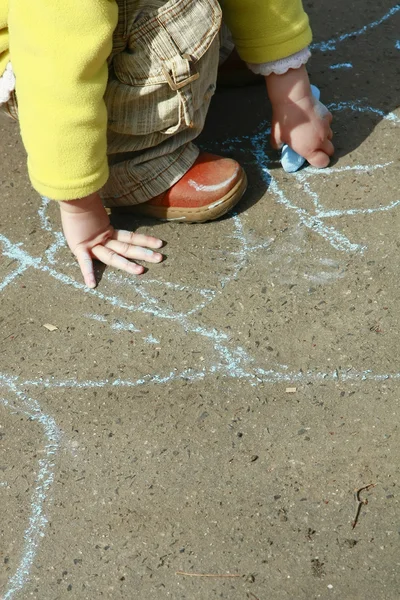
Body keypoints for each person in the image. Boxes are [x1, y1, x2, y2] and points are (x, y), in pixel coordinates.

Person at [0, 0, 334, 288]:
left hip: (90, 34)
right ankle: (136, 164)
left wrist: (293, 93)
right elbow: (56, 77)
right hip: (42, 67)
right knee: (190, 13)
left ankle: (207, 56)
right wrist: (80, 205)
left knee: (196, 15)